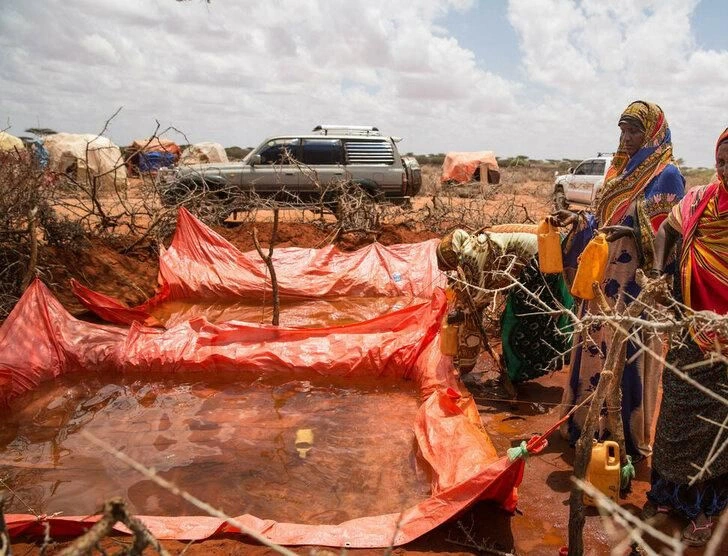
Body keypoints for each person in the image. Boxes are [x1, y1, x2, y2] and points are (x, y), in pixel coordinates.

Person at [553, 101, 685, 459]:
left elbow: (670, 235)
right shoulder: (618, 170)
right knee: (593, 347)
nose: (626, 138)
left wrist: (630, 232)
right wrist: (579, 222)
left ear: (653, 133)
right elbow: (601, 220)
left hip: (633, 284)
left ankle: (620, 435)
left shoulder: (667, 175)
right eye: (622, 130)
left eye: (634, 131)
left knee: (627, 355)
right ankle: (585, 424)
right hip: (601, 279)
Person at [642, 127, 728, 546]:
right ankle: (667, 495)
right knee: (676, 408)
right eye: (722, 161)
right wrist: (660, 273)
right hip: (687, 326)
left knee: (714, 424)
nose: (726, 169)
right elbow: (665, 233)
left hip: (725, 341)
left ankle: (704, 509)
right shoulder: (697, 200)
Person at [436, 227, 574, 384]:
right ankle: (522, 366)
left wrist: (460, 314)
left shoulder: (471, 255)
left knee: (515, 323)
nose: (454, 269)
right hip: (546, 257)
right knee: (527, 320)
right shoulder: (472, 244)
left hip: (539, 266)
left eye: (450, 266)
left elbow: (476, 300)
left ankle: (516, 373)